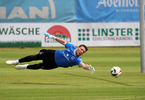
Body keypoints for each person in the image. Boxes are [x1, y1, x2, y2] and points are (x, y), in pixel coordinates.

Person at [6, 32, 95, 74]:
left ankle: (25, 66)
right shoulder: (71, 47)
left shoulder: (77, 60)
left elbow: (82, 65)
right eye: (81, 49)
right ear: (78, 47)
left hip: (54, 64)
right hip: (51, 54)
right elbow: (64, 42)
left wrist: (88, 68)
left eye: (83, 51)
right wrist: (54, 37)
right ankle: (16, 61)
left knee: (38, 66)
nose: (81, 52)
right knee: (34, 57)